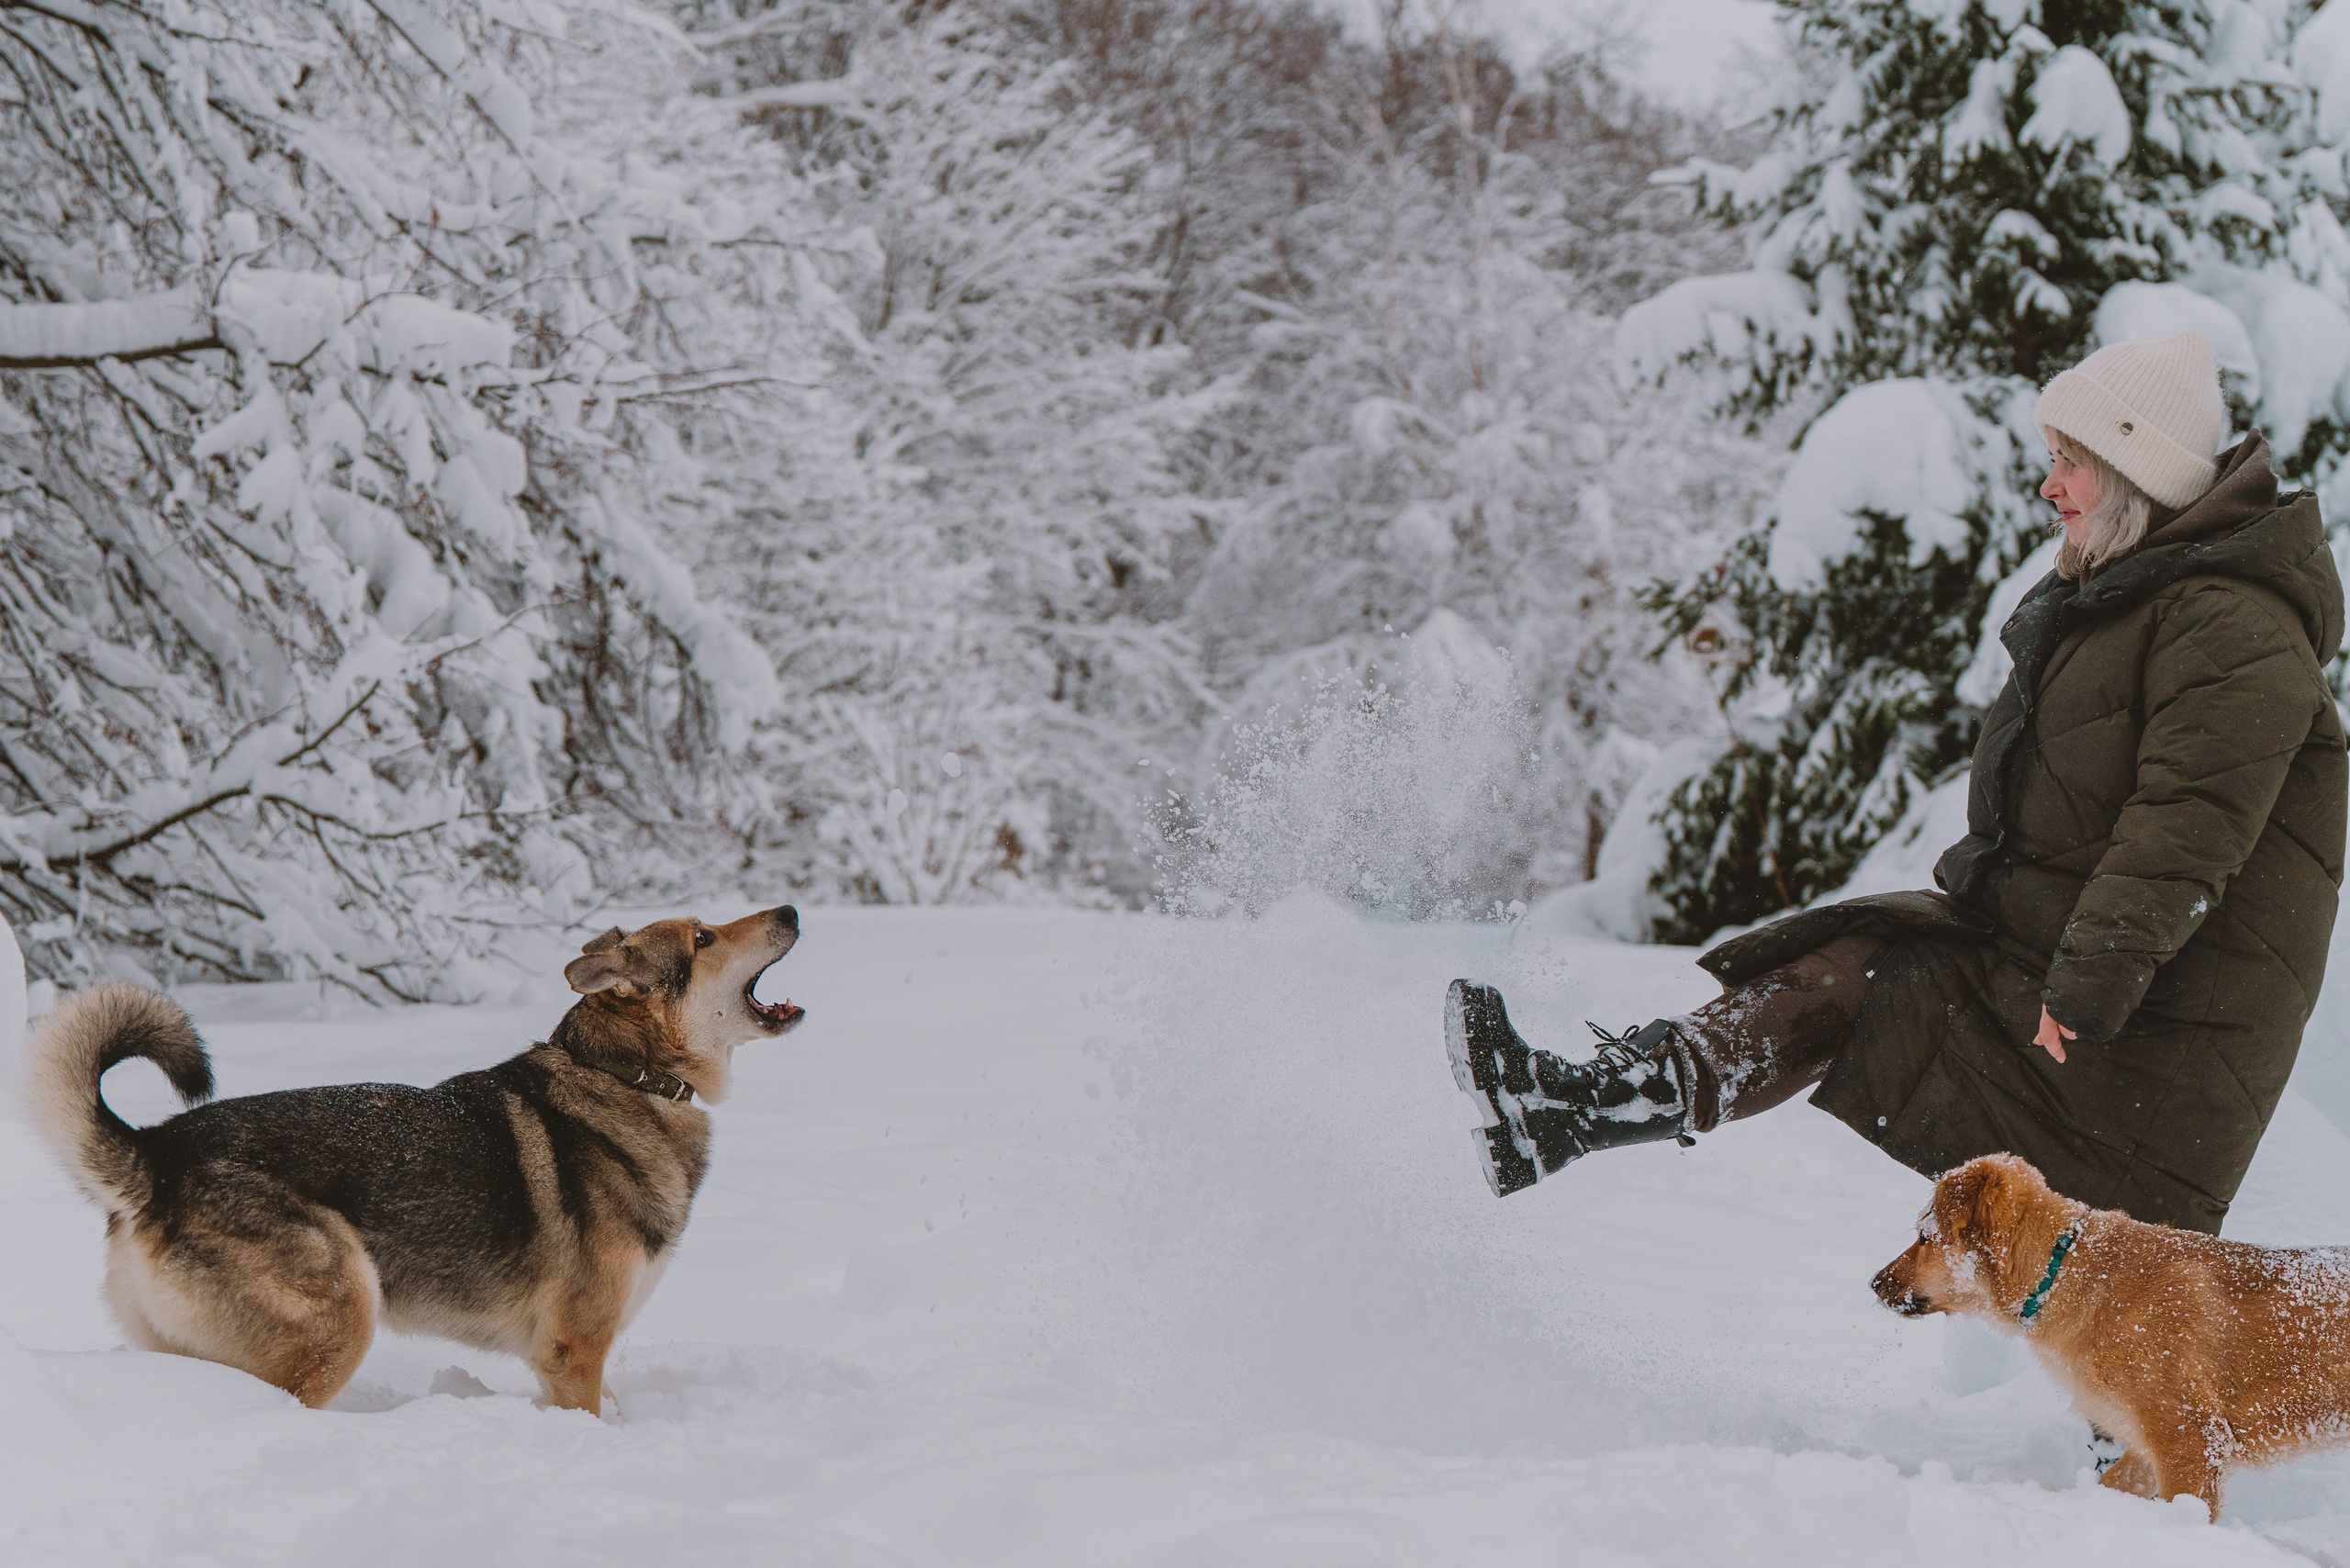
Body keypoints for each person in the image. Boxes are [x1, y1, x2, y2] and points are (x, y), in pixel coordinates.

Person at [1446, 330, 2346, 1234]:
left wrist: (2085, 989)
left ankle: (1567, 1111)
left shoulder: (2231, 624)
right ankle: (1567, 1110)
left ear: (2132, 467)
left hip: (2147, 1049)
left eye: (2070, 462)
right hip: (2086, 994)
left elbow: (2185, 828)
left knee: (1872, 974)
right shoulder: (2143, 601)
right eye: (2051, 459)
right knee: (1864, 958)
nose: (2049, 485)